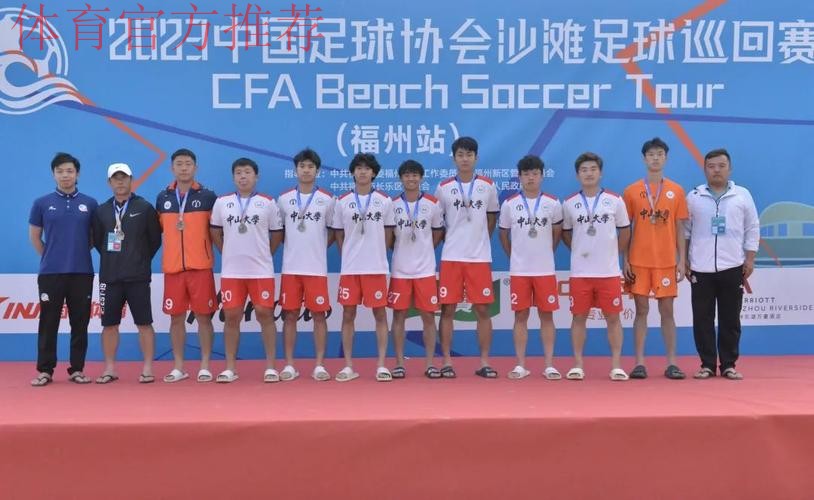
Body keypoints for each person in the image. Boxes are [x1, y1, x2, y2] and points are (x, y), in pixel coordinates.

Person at [685, 149, 759, 380]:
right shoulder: (694, 197)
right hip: (700, 268)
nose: (716, 170)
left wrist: (749, 259)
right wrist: (684, 260)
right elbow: (685, 232)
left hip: (733, 267)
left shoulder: (742, 195)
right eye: (711, 166)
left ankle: (728, 364)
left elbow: (752, 228)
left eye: (721, 165)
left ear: (730, 168)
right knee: (702, 319)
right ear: (704, 169)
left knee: (730, 318)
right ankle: (707, 364)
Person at [210, 158, 283, 383]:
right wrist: (226, 252)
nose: (243, 176)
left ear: (256, 176)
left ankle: (271, 367)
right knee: (232, 316)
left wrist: (265, 254)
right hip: (232, 272)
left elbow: (277, 234)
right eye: (239, 173)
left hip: (261, 271)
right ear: (233, 177)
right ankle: (230, 368)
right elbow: (215, 232)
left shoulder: (267, 203)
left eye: (248, 172)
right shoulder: (222, 202)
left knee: (265, 314)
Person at [29, 153, 98, 386]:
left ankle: (77, 369)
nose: (65, 175)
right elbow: (35, 236)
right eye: (60, 171)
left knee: (80, 322)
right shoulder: (41, 203)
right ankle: (45, 370)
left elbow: (92, 238)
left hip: (82, 272)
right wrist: (51, 256)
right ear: (53, 174)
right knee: (48, 322)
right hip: (51, 273)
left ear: (77, 174)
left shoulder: (90, 203)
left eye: (69, 171)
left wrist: (76, 253)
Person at [561, 152, 631, 381]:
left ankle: (616, 365)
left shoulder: (615, 200)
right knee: (578, 317)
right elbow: (566, 233)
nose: (588, 173)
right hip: (580, 272)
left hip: (608, 272)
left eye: (593, 169)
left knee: (613, 318)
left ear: (600, 173)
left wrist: (613, 253)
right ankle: (578, 365)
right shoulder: (569, 203)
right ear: (577, 175)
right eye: (584, 170)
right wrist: (579, 250)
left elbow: (625, 230)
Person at [623, 138, 688, 380]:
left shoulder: (676, 190)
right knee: (641, 311)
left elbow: (680, 228)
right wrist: (625, 260)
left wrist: (681, 260)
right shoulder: (631, 191)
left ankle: (672, 363)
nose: (655, 158)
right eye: (651, 154)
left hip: (666, 261)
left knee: (667, 311)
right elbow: (625, 229)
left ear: (666, 158)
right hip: (638, 261)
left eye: (660, 154)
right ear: (644, 159)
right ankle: (639, 363)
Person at [434, 137, 500, 378]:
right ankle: (446, 362)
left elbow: (491, 218)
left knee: (482, 310)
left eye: (469, 155)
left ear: (476, 158)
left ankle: (484, 362)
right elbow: (437, 223)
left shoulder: (488, 186)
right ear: (454, 159)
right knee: (447, 310)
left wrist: (479, 240)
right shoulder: (443, 187)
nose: (465, 159)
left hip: (479, 258)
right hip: (451, 256)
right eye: (460, 155)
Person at [92, 163, 162, 384]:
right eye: (116, 178)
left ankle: (148, 368)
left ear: (132, 180)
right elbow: (98, 241)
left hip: (137, 277)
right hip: (110, 277)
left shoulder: (145, 207)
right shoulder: (102, 210)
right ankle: (109, 368)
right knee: (109, 325)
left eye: (124, 177)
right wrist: (115, 259)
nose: (120, 181)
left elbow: (154, 240)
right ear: (109, 182)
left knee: (144, 323)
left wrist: (138, 258)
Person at [329, 153, 394, 382]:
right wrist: (348, 256)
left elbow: (388, 233)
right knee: (348, 314)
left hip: (375, 268)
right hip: (351, 269)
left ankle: (381, 365)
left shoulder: (385, 200)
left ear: (374, 173)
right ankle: (348, 366)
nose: (363, 172)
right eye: (358, 168)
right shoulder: (342, 201)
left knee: (380, 314)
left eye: (367, 168)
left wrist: (378, 254)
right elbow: (338, 234)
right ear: (353, 172)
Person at [156, 149, 218, 383]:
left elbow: (217, 231)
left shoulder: (208, 197)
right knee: (176, 319)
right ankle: (178, 366)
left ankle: (205, 365)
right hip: (173, 269)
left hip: (200, 267)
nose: (184, 168)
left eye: (188, 164)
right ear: (172, 168)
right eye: (179, 164)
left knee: (204, 318)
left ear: (196, 168)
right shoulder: (163, 197)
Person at [498, 155, 563, 380]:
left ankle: (549, 365)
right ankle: (520, 365)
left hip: (545, 270)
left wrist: (546, 252)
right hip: (520, 271)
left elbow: (557, 233)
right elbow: (503, 234)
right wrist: (514, 256)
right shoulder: (509, 204)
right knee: (520, 316)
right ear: (520, 177)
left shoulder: (553, 203)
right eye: (526, 174)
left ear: (542, 176)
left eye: (535, 173)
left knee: (547, 316)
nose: (531, 178)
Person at [276, 148, 335, 382]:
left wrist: (318, 247)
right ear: (296, 170)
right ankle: (289, 365)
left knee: (319, 316)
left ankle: (319, 365)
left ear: (317, 171)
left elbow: (333, 232)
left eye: (311, 167)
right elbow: (279, 231)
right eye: (302, 166)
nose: (306, 170)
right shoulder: (284, 199)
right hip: (291, 268)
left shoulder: (328, 199)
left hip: (316, 269)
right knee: (290, 315)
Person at [386, 160, 444, 379]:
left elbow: (437, 233)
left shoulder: (433, 203)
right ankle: (399, 363)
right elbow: (389, 238)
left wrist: (424, 250)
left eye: (415, 175)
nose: (411, 179)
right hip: (400, 270)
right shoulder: (392, 204)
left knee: (428, 317)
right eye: (407, 175)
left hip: (425, 270)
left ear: (421, 178)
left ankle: (430, 363)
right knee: (399, 316)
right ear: (401, 178)